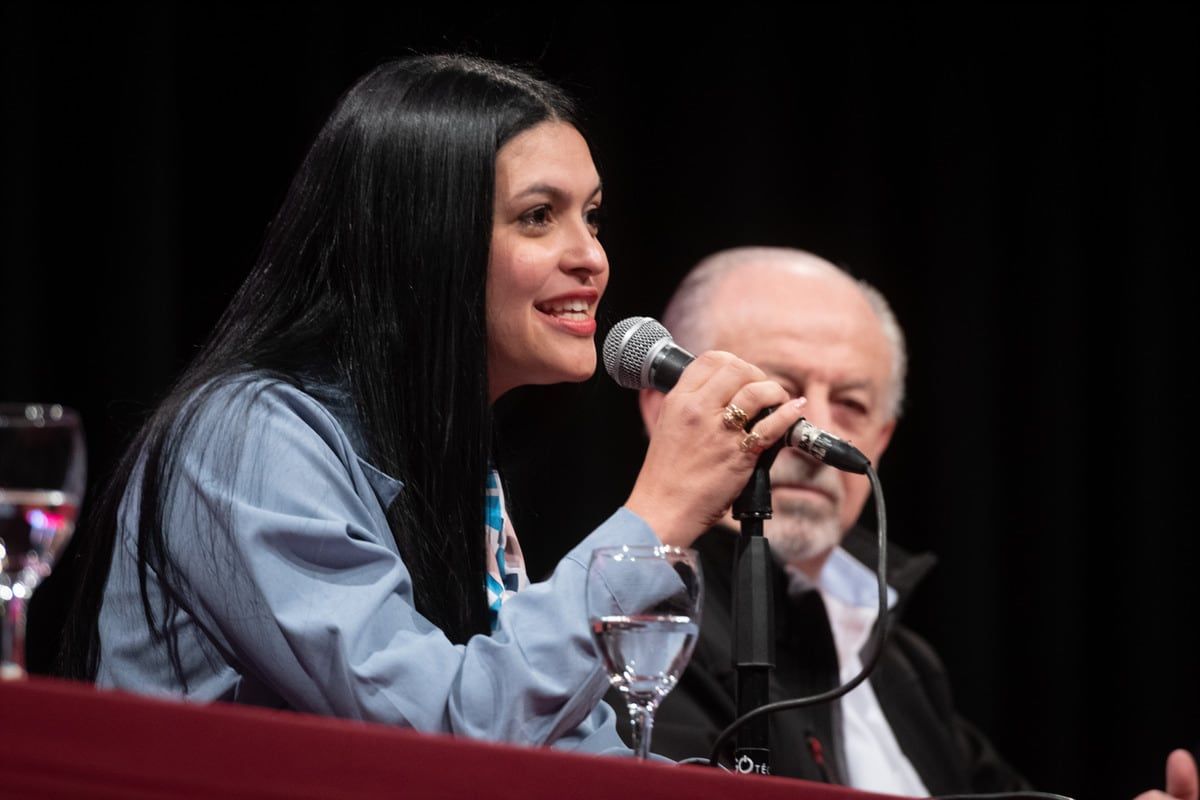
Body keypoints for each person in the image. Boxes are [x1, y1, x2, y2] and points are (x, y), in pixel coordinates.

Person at [50, 56, 808, 755]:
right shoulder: (247, 438)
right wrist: (661, 512)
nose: (592, 257)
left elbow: (567, 750)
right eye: (538, 216)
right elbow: (443, 735)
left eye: (592, 216)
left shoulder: (447, 456)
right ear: (424, 238)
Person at [621, 246, 1198, 798]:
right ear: (668, 406)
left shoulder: (901, 659)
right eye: (779, 392)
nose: (817, 433)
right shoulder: (634, 625)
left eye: (851, 404)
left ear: (881, 439)